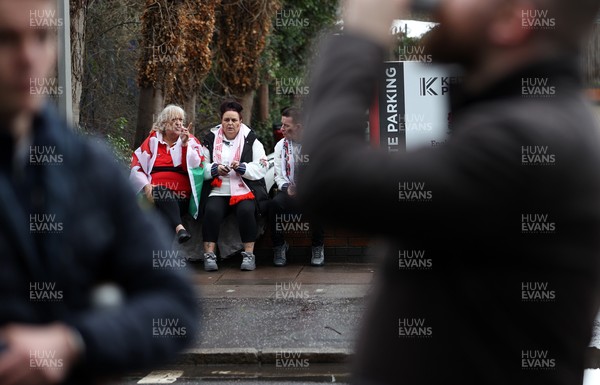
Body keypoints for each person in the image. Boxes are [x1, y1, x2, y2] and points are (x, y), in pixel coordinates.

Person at [298, 0, 600, 385]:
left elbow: (329, 176)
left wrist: (360, 35)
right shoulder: (529, 121)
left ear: (511, 20)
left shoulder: (527, 140)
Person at [0, 1, 199, 384]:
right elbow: (141, 168)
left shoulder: (89, 167)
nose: (27, 57)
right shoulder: (135, 149)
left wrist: (74, 341)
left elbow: (176, 306)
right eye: (6, 39)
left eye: (40, 37)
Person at [199, 99, 269, 272]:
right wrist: (215, 169)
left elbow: (262, 166)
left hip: (244, 188)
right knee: (211, 211)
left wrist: (243, 168)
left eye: (234, 120)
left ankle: (249, 255)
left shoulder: (251, 140)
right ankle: (209, 255)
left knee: (246, 210)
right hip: (218, 189)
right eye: (226, 120)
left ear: (240, 122)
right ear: (221, 121)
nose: (230, 124)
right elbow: (200, 167)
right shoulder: (210, 139)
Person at [130, 104, 206, 244]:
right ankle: (178, 230)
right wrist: (146, 186)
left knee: (162, 205)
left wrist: (184, 145)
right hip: (152, 194)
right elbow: (137, 166)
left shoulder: (190, 141)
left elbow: (197, 166)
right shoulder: (152, 141)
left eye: (181, 120)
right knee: (159, 196)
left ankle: (156, 259)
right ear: (164, 123)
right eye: (174, 120)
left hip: (180, 196)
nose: (178, 123)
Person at [269, 106, 325, 267]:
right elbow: (278, 175)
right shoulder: (281, 146)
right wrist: (287, 187)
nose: (282, 129)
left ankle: (317, 246)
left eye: (286, 126)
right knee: (274, 205)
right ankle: (279, 246)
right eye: (282, 124)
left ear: (299, 127)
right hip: (290, 190)